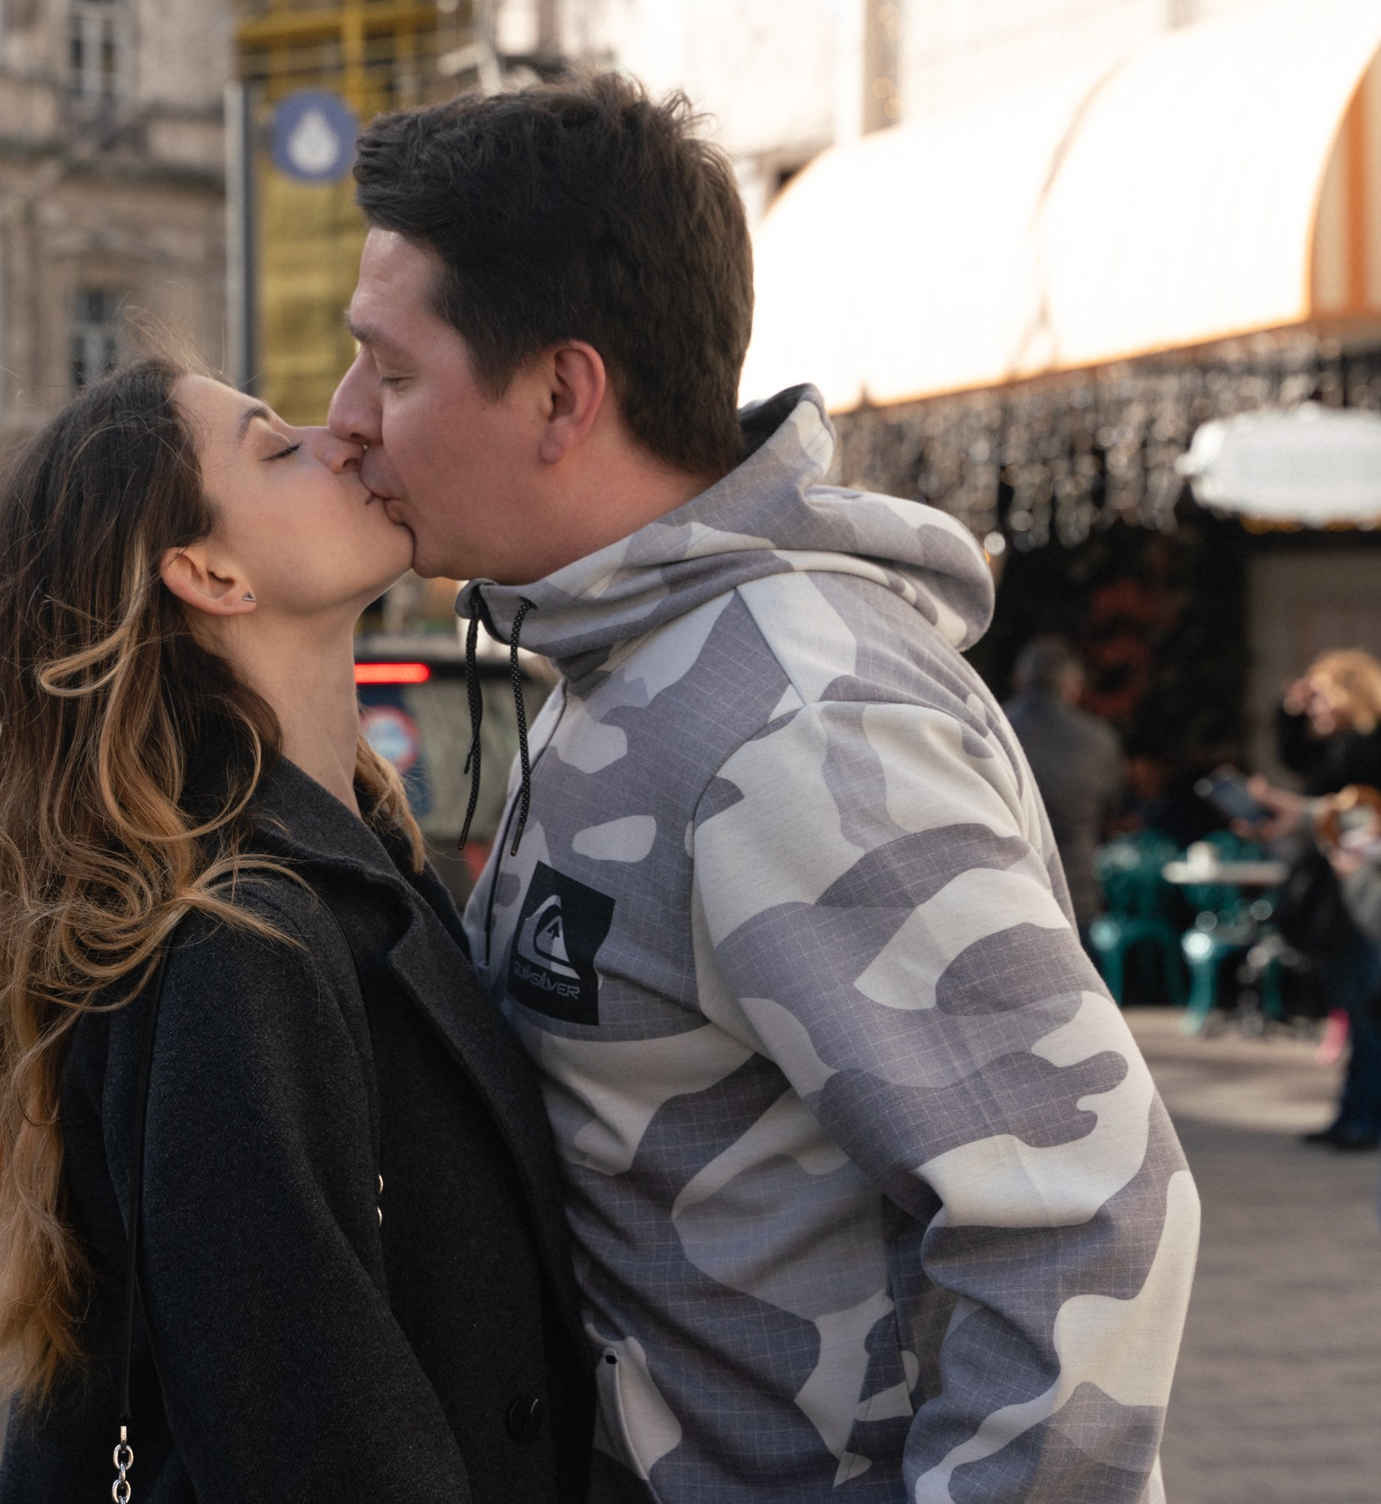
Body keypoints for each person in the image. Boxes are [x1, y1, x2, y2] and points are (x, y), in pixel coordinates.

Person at [328, 77, 1192, 1503]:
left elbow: (1078, 1221)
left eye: (394, 372)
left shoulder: (794, 717)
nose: (351, 420)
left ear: (560, 393)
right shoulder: (640, 655)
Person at [0, 356, 591, 1502]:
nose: (343, 436)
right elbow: (311, 1446)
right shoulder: (243, 936)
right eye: (277, 448)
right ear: (208, 572)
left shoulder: (341, 863)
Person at [1248, 649, 1381, 1150]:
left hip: (1362, 897)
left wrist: (1296, 813)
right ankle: (1354, 1112)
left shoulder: (1367, 749)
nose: (1316, 708)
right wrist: (1290, 709)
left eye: (1323, 696)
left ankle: (1364, 1117)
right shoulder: (1340, 747)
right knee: (1354, 1010)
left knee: (1368, 1012)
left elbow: (1348, 817)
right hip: (1342, 894)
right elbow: (1298, 760)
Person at [1002, 635, 1126, 932]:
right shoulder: (1099, 738)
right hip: (1076, 894)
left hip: (1005, 891)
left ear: (1020, 679)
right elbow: (1114, 812)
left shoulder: (990, 728)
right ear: (1073, 687)